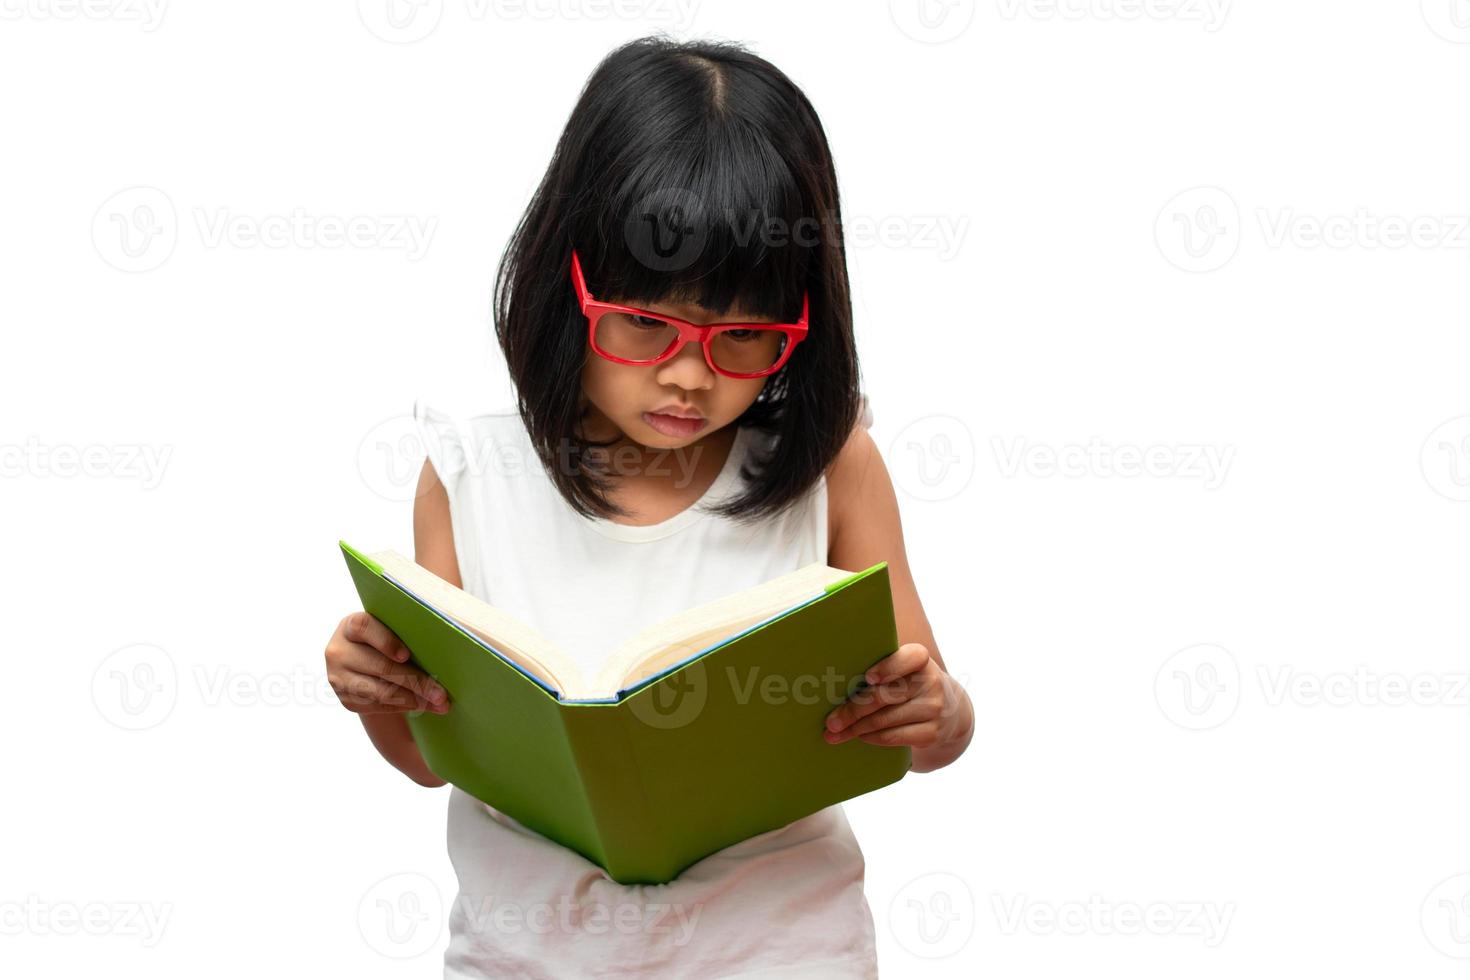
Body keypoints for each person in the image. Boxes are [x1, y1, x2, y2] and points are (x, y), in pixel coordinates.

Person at [324, 34, 974, 978]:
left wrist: (938, 710)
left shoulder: (835, 469)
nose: (688, 377)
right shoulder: (471, 478)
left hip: (779, 949)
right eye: (644, 323)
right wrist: (376, 695)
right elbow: (433, 758)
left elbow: (928, 737)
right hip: (524, 953)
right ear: (567, 283)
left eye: (745, 336)